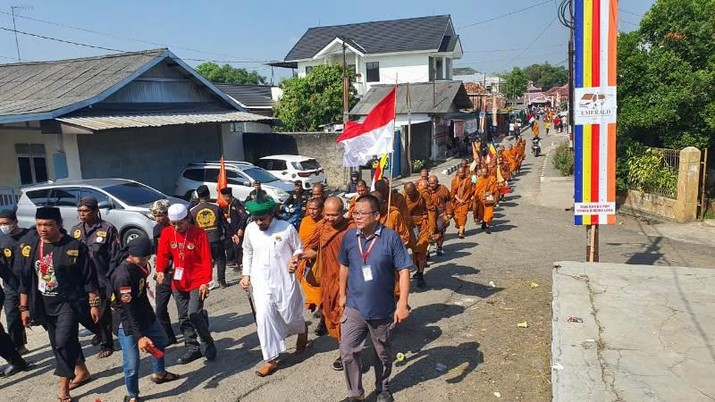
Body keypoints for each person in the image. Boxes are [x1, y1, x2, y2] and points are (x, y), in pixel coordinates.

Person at [19, 206, 101, 402]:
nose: (43, 229)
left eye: (48, 224)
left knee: (63, 343)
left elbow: (89, 277)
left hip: (69, 304)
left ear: (59, 224)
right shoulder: (32, 247)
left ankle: (64, 387)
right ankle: (82, 370)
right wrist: (23, 308)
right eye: (39, 224)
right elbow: (24, 279)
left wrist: (94, 303)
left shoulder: (73, 247)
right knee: (58, 343)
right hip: (44, 304)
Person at [337, 194, 412, 402]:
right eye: (355, 212)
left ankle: (383, 387)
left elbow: (404, 270)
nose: (357, 216)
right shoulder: (350, 237)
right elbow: (344, 265)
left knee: (382, 352)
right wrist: (342, 294)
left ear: (377, 215)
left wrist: (402, 303)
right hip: (354, 306)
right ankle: (355, 394)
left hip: (382, 308)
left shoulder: (390, 238)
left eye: (362, 213)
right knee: (347, 350)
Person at [241, 196, 308, 377]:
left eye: (262, 218)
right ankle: (271, 359)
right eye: (256, 218)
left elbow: (299, 248)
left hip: (284, 280)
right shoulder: (250, 229)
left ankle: (302, 329)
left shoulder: (286, 228)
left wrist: (295, 259)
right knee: (264, 318)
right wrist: (245, 274)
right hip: (260, 282)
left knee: (290, 315)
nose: (259, 222)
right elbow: (247, 251)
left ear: (271, 214)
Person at [109, 236, 179, 401]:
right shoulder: (123, 275)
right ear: (131, 255)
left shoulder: (141, 264)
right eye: (143, 258)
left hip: (144, 313)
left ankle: (159, 373)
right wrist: (140, 337)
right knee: (132, 364)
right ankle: (132, 395)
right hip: (126, 321)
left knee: (161, 340)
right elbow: (128, 309)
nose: (146, 261)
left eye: (148, 257)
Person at [297, 197, 354, 371]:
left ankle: (346, 354)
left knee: (347, 318)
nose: (330, 218)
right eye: (327, 214)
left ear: (343, 212)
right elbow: (314, 249)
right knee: (333, 317)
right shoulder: (322, 227)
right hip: (328, 281)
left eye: (334, 215)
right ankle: (344, 348)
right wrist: (298, 257)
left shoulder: (351, 228)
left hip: (350, 282)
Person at [156, 204, 216, 365]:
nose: (176, 227)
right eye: (173, 223)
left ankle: (207, 343)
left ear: (187, 219)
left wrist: (205, 282)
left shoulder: (199, 234)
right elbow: (162, 254)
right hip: (178, 281)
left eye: (180, 223)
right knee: (183, 317)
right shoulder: (167, 233)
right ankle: (192, 347)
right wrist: (160, 270)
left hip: (197, 280)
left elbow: (206, 259)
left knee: (193, 314)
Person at [70, 196, 120, 358]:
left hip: (102, 278)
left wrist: (112, 277)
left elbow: (115, 256)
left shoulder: (107, 229)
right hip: (83, 279)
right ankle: (99, 331)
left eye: (85, 211)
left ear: (95, 211)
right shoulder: (76, 230)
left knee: (103, 312)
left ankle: (107, 344)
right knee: (84, 311)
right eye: (80, 211)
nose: (82, 214)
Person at [0, 209, 30, 354]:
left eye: (5, 223)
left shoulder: (29, 236)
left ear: (15, 222)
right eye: (0, 224)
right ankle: (19, 346)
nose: (3, 226)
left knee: (41, 315)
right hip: (11, 286)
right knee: (12, 317)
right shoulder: (1, 240)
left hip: (31, 285)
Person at [190, 185, 230, 289]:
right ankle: (222, 281)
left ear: (198, 196)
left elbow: (191, 228)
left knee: (206, 261)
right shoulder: (216, 207)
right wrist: (229, 234)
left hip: (202, 241)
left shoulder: (193, 211)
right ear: (208, 195)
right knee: (220, 259)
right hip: (216, 238)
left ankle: (207, 282)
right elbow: (224, 223)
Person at [150, 200, 178, 346]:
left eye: (160, 215)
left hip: (179, 271)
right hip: (164, 273)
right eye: (155, 216)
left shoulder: (178, 227)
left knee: (183, 308)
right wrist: (159, 269)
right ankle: (169, 336)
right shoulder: (156, 230)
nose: (157, 219)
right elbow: (158, 252)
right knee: (160, 308)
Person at [296, 198, 323, 317]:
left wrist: (316, 253)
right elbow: (302, 240)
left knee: (321, 284)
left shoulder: (325, 223)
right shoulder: (305, 221)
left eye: (315, 209)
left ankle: (322, 307)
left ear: (321, 210)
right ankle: (315, 301)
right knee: (305, 279)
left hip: (321, 259)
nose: (312, 212)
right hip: (306, 258)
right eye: (310, 209)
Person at [403, 183, 434, 288]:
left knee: (421, 249)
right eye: (408, 194)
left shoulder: (423, 194)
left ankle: (420, 275)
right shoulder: (403, 197)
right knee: (414, 251)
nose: (410, 196)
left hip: (423, 224)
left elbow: (431, 210)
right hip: (410, 226)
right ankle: (418, 269)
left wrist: (432, 228)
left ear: (415, 190)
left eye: (412, 193)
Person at [221, 187, 248, 271]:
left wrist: (241, 228)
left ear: (227, 196)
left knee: (238, 247)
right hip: (234, 229)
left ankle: (240, 264)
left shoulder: (236, 203)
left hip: (238, 229)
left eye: (223, 197)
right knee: (235, 246)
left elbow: (244, 216)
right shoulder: (231, 204)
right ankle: (237, 262)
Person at [450, 167, 474, 239]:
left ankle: (461, 232)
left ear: (464, 173)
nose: (461, 174)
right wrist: (458, 199)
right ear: (457, 173)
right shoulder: (454, 180)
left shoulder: (468, 181)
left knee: (463, 215)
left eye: (462, 172)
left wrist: (463, 200)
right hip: (456, 202)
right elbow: (453, 192)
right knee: (456, 217)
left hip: (465, 202)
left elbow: (468, 192)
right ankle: (461, 227)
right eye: (459, 172)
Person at [474, 168, 498, 233]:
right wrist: (481, 194)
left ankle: (486, 224)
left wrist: (490, 192)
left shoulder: (492, 178)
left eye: (485, 172)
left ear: (488, 172)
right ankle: (484, 224)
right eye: (483, 172)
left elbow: (495, 187)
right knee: (482, 212)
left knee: (489, 212)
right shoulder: (479, 179)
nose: (484, 173)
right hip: (481, 198)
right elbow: (477, 190)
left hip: (489, 197)